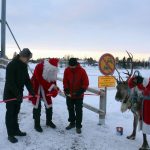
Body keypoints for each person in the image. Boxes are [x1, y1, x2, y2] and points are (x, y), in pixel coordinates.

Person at [3, 48, 35, 143]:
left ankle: (16, 130)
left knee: (16, 113)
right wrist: (17, 94)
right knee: (10, 114)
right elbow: (10, 82)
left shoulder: (24, 65)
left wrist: (31, 91)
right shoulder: (11, 65)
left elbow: (27, 80)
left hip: (18, 95)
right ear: (22, 56)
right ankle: (10, 134)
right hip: (10, 95)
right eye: (27, 58)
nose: (28, 60)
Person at [29, 58, 59, 132]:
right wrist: (51, 87)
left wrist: (55, 89)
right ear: (49, 66)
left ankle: (49, 121)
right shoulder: (38, 67)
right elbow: (40, 80)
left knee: (49, 104)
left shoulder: (52, 69)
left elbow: (53, 79)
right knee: (37, 106)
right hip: (36, 87)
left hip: (46, 88)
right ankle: (37, 124)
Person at [63, 58, 89, 134]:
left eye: (72, 66)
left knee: (78, 111)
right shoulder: (67, 70)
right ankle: (72, 123)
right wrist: (66, 89)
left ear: (76, 65)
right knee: (70, 109)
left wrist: (80, 91)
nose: (71, 68)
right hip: (69, 95)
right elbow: (65, 81)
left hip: (79, 95)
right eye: (70, 66)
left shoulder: (82, 71)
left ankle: (78, 126)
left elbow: (86, 83)